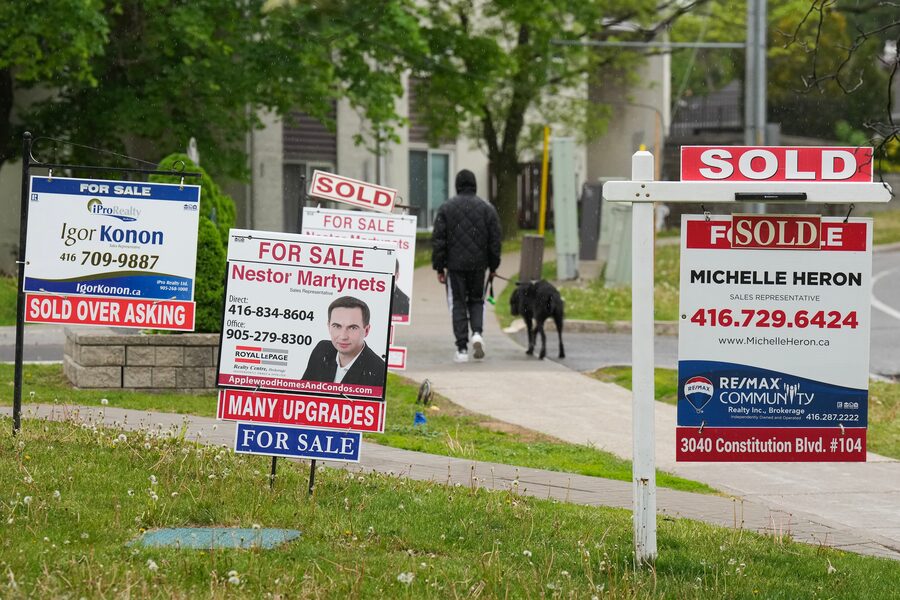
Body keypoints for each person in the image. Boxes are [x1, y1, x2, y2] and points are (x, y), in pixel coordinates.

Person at [431, 169, 501, 362]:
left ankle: (462, 349)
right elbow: (495, 240)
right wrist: (493, 266)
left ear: (457, 185)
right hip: (479, 265)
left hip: (455, 266)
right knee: (477, 300)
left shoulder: (446, 208)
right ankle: (477, 333)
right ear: (474, 185)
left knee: (459, 303)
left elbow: (439, 241)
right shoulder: (487, 209)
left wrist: (439, 267)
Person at [302, 295, 385, 387]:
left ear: (366, 330)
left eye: (353, 327)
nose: (343, 336)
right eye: (337, 326)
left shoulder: (380, 372)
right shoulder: (322, 350)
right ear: (329, 326)